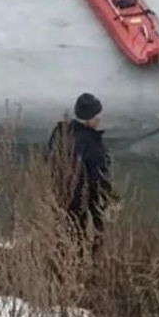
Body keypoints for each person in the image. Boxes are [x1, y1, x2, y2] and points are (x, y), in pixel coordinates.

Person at [47, 92, 116, 254]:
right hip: (80, 200)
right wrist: (109, 200)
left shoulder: (60, 132)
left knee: (63, 236)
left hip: (59, 194)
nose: (99, 120)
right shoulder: (91, 143)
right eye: (97, 116)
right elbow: (98, 177)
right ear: (89, 119)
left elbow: (50, 158)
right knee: (82, 240)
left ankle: (63, 260)